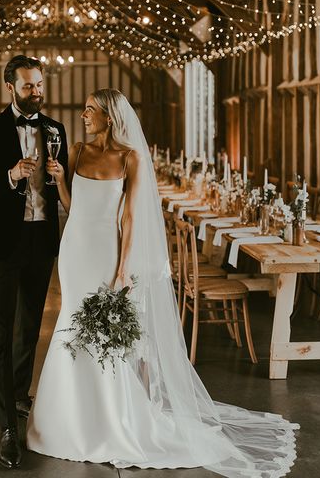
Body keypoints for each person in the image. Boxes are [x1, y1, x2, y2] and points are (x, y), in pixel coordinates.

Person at [27, 88, 298, 477]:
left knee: (104, 334)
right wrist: (59, 183)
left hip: (107, 251)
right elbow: (74, 208)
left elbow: (131, 218)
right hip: (73, 251)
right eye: (85, 109)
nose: (83, 115)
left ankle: (111, 418)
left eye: (90, 110)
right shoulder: (77, 153)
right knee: (71, 322)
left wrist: (122, 269)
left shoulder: (131, 158)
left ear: (109, 116)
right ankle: (65, 419)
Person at [0, 55, 68, 469]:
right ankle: (7, 426)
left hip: (42, 240)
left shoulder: (55, 129)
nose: (37, 92)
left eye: (40, 84)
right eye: (29, 86)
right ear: (10, 87)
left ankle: (20, 397)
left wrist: (62, 178)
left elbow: (67, 191)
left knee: (30, 328)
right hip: (2, 243)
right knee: (0, 333)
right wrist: (9, 176)